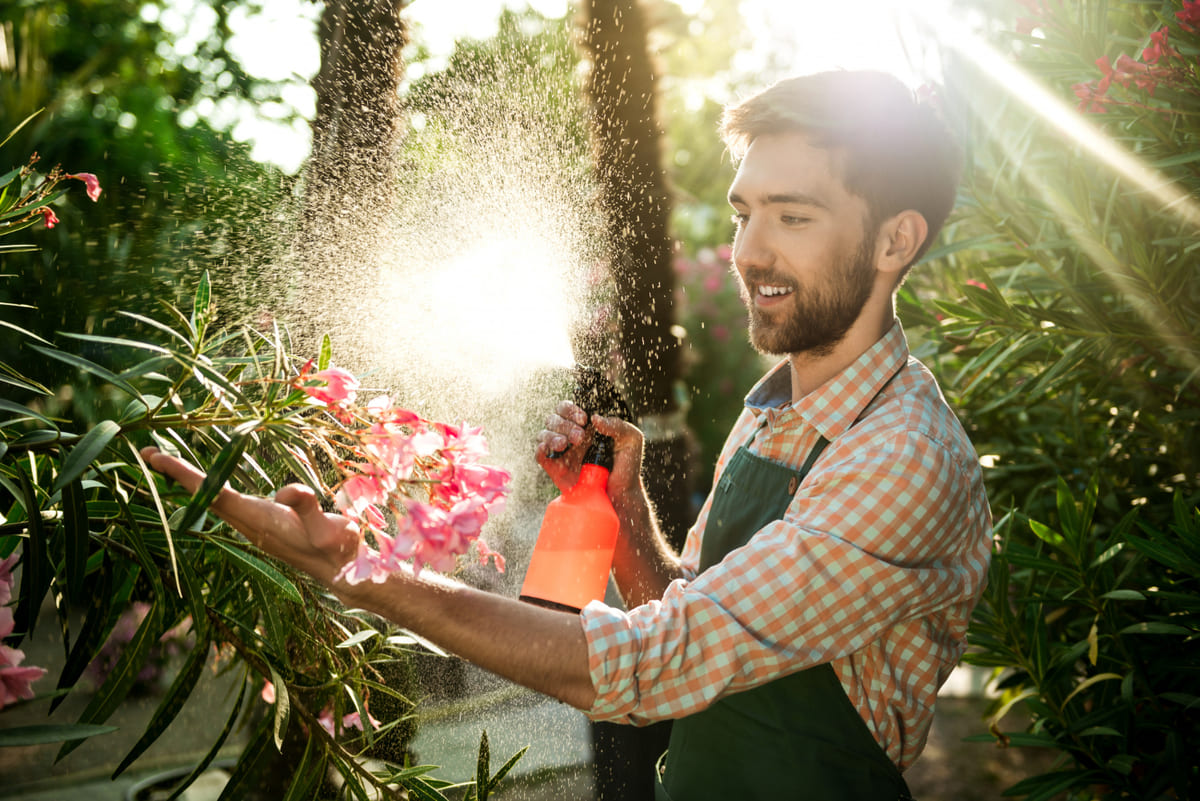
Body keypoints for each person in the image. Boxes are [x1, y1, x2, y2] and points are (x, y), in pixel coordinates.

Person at [143, 69, 991, 800]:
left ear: (895, 239)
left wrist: (358, 569)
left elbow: (657, 662)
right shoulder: (775, 410)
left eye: (793, 218)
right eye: (743, 213)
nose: (750, 251)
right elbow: (695, 615)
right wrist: (623, 516)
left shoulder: (900, 454)